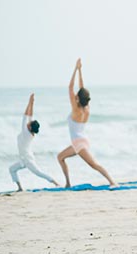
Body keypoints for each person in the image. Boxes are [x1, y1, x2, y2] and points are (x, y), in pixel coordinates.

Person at [57, 58, 118, 188]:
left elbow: (70, 87)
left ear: (78, 98)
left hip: (79, 143)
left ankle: (112, 181)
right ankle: (68, 183)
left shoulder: (76, 109)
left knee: (94, 165)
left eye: (76, 96)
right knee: (60, 157)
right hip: (79, 141)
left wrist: (75, 69)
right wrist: (80, 70)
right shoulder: (87, 109)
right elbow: (82, 88)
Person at [9, 93, 60, 191]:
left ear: (30, 127)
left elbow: (25, 116)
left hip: (28, 160)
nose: (28, 122)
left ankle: (55, 183)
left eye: (29, 123)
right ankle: (20, 188)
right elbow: (30, 116)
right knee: (12, 169)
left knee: (39, 173)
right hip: (23, 159)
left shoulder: (26, 132)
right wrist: (32, 103)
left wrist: (29, 102)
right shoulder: (29, 131)